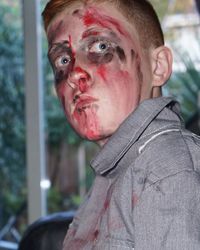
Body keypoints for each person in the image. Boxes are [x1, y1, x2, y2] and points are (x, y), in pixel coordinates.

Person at [42, 0, 200, 249]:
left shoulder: (166, 168)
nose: (74, 74)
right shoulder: (119, 168)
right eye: (62, 60)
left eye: (100, 46)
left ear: (158, 67)